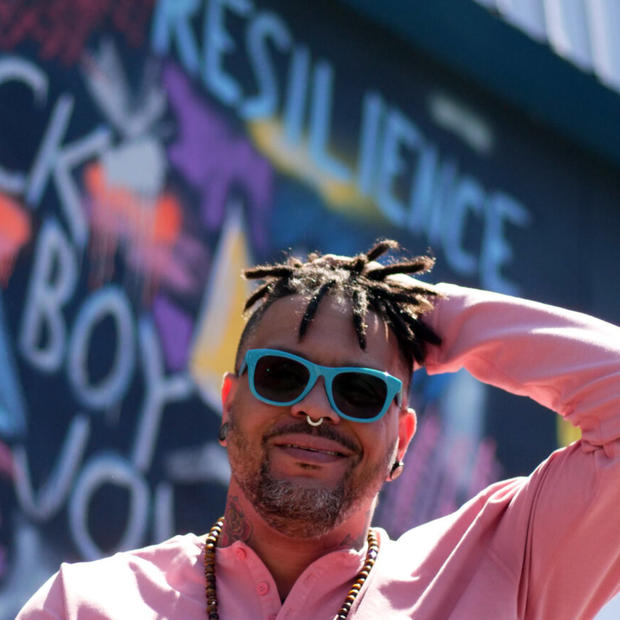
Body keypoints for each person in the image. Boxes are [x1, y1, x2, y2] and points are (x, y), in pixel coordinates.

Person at [17, 240, 620, 619]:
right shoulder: (88, 605)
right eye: (281, 376)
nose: (315, 409)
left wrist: (432, 316)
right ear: (230, 406)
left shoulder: (501, 568)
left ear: (401, 440)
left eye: (358, 391)